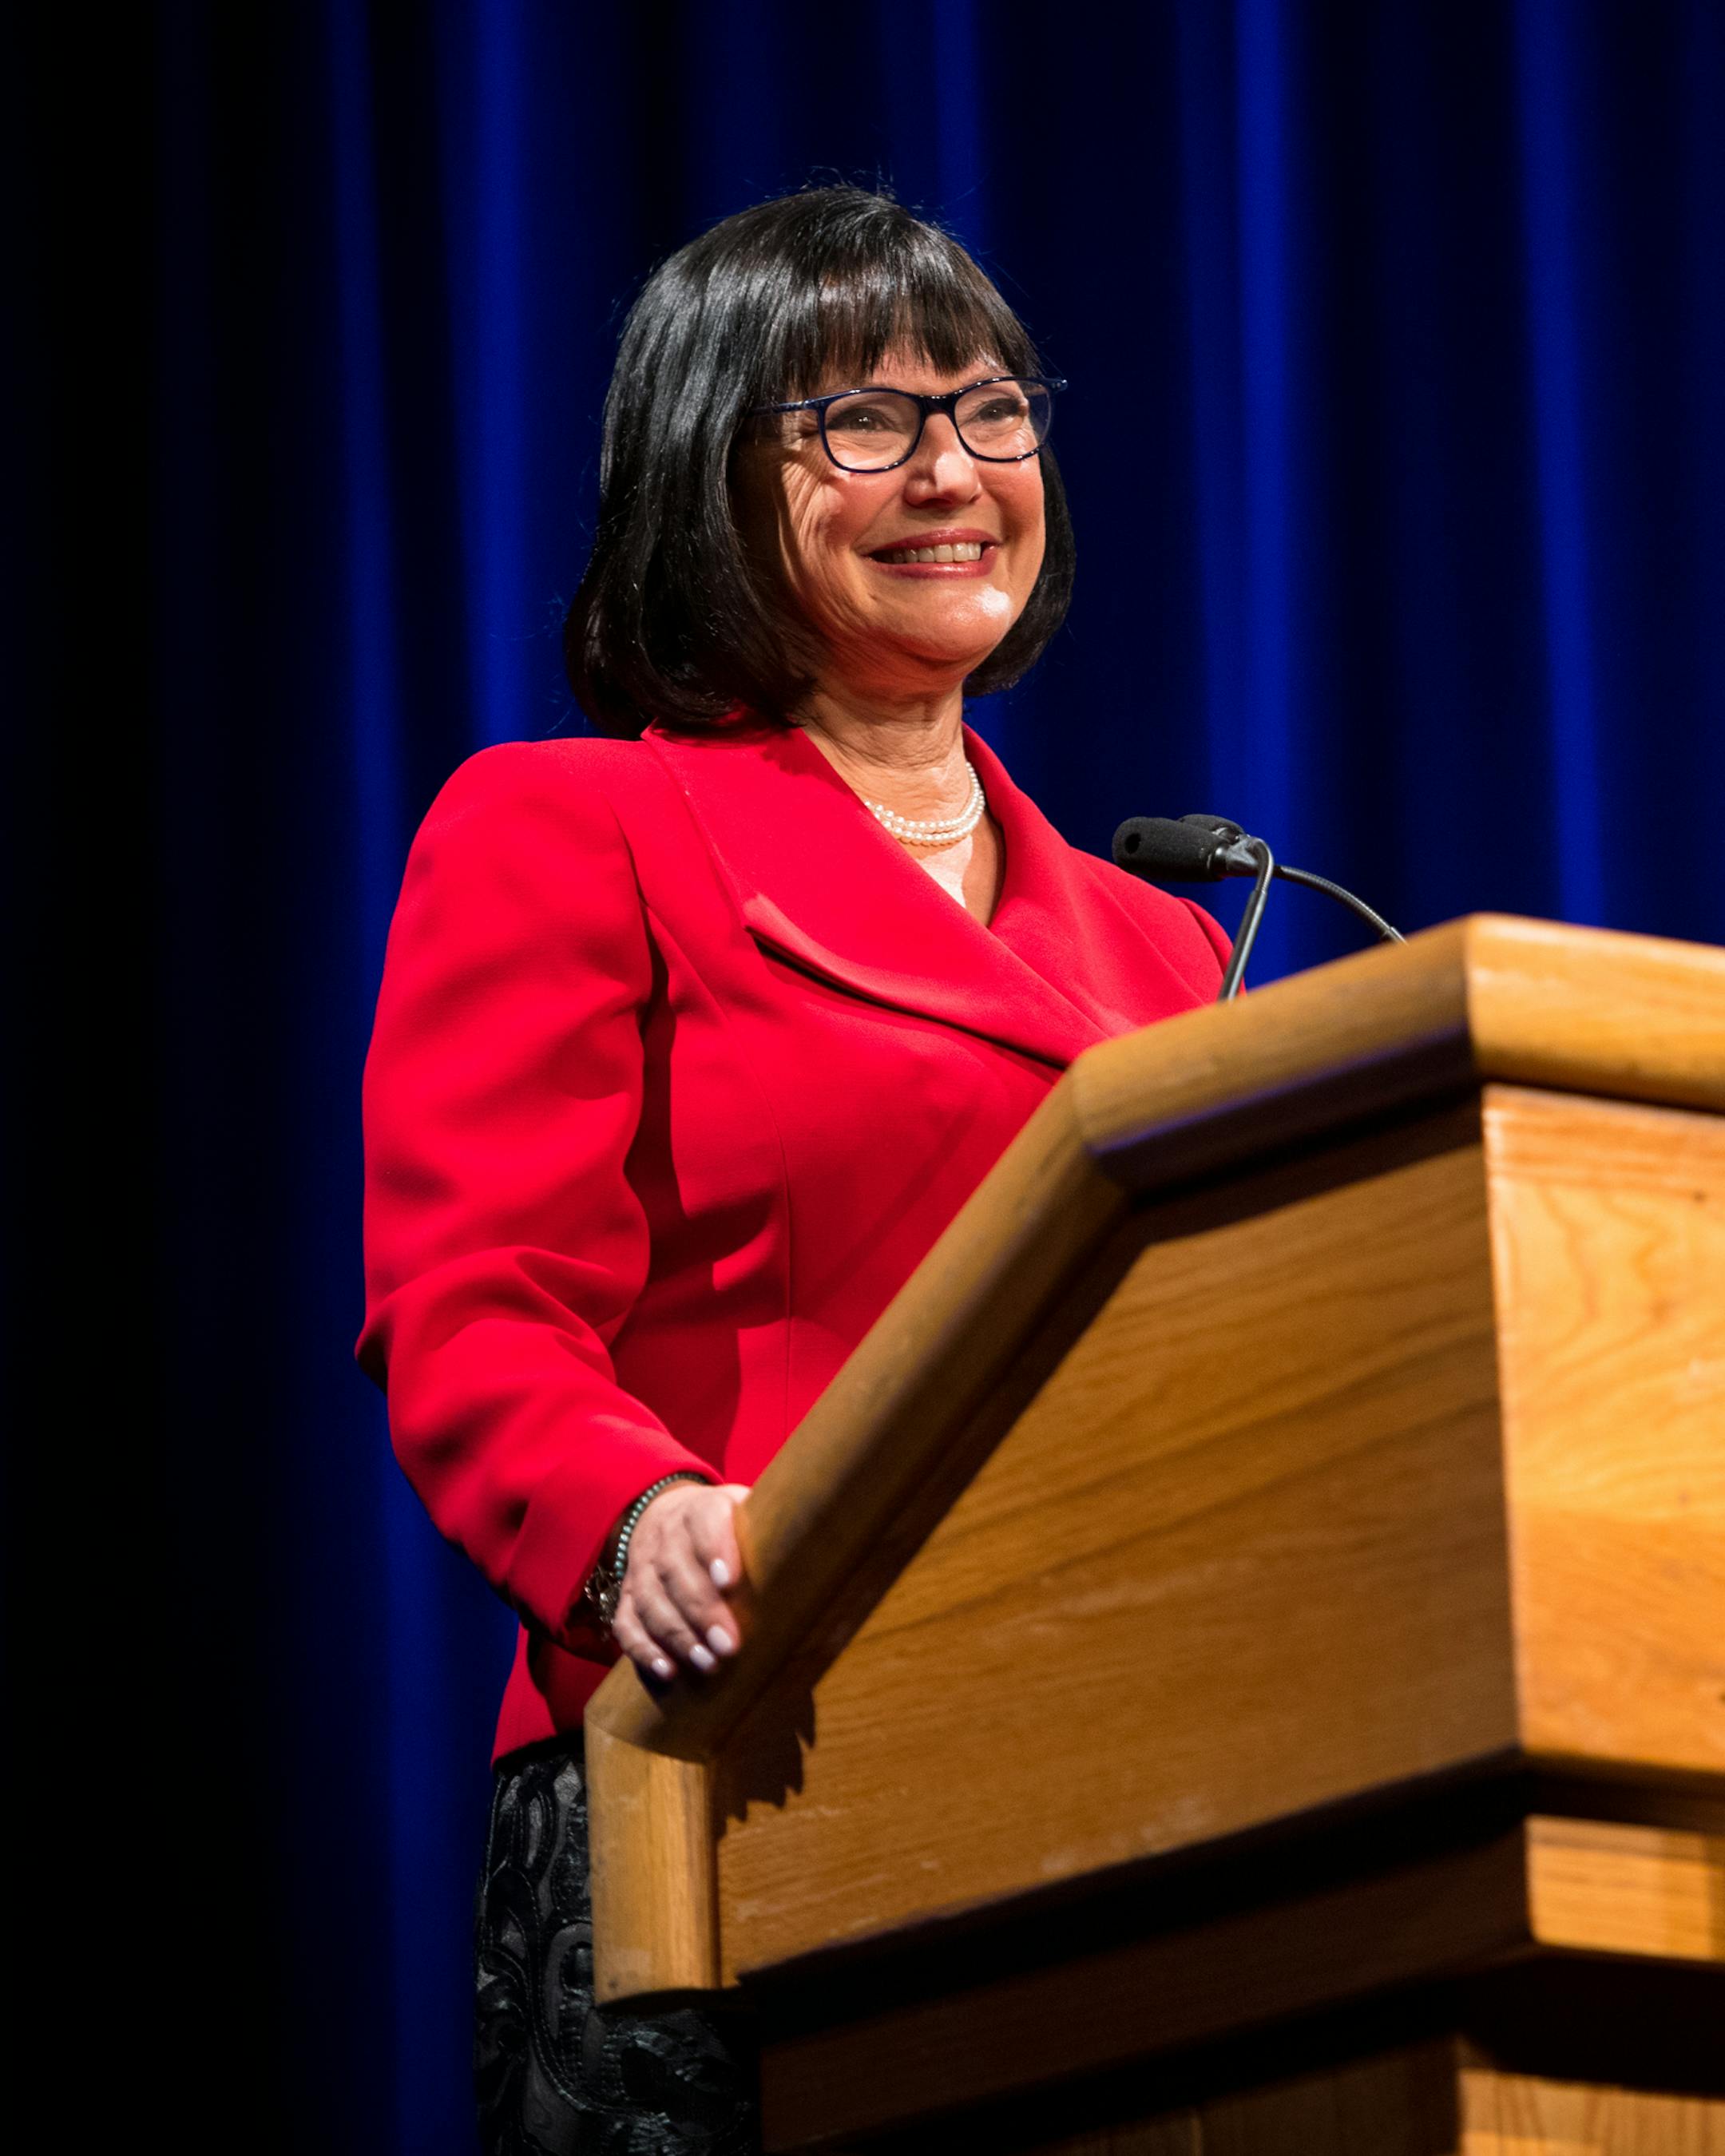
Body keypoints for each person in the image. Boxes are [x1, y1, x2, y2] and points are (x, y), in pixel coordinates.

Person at [358, 184, 1227, 2154]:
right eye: (861, 421)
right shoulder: (574, 830)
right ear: (704, 473)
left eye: (990, 411)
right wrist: (635, 1512)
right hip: (739, 1774)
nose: (952, 470)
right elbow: (470, 1302)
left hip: (1139, 1787)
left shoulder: (1166, 946)